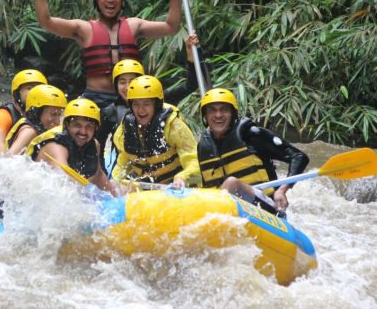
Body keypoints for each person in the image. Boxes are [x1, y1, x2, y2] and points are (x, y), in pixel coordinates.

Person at [32, 0, 183, 106]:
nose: (110, 0)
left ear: (122, 1)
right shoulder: (84, 29)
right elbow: (46, 22)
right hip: (96, 98)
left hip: (131, 97)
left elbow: (171, 27)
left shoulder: (134, 26)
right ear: (96, 1)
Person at [98, 32, 204, 167]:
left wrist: (191, 54)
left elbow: (191, 85)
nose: (127, 86)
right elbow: (98, 146)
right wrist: (101, 175)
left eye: (132, 80)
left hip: (162, 167)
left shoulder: (158, 101)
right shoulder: (109, 112)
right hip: (129, 169)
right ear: (115, 85)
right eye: (122, 82)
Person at [197, 88, 309, 216]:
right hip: (225, 211)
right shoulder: (203, 147)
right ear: (205, 116)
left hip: (265, 207)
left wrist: (282, 190)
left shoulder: (251, 135)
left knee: (231, 183)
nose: (218, 115)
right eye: (212, 110)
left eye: (224, 109)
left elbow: (299, 156)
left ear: (233, 114)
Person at [112, 75, 200, 189]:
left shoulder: (174, 126)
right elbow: (122, 163)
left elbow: (194, 161)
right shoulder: (125, 129)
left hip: (176, 189)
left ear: (156, 105)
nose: (140, 110)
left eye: (146, 104)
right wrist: (113, 183)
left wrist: (182, 177)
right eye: (136, 104)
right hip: (148, 190)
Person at [26, 98, 117, 195]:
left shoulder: (94, 144)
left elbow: (98, 176)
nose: (83, 132)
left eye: (89, 126)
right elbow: (64, 181)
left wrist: (117, 197)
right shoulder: (56, 146)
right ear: (66, 125)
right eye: (77, 125)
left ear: (96, 129)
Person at [0, 69, 48, 154]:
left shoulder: (47, 118)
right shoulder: (3, 115)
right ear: (16, 93)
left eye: (39, 88)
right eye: (29, 88)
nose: (35, 92)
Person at [5, 84, 67, 155]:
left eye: (59, 115)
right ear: (36, 113)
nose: (58, 121)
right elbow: (9, 159)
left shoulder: (41, 128)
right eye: (53, 114)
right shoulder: (29, 132)